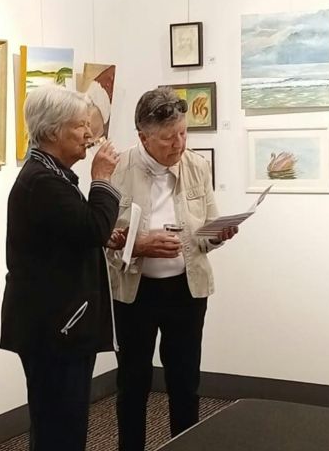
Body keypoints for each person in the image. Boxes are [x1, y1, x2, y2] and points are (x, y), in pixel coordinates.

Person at [108, 87, 238, 451]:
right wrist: (139, 244)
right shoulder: (117, 171)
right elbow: (102, 241)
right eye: (168, 138)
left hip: (186, 289)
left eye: (183, 133)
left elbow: (205, 233)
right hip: (135, 292)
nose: (178, 144)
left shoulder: (197, 165)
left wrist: (219, 235)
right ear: (143, 137)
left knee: (185, 383)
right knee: (132, 384)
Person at [0, 85, 122, 451]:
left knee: (59, 423)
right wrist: (102, 178)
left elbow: (77, 232)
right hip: (56, 330)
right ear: (53, 132)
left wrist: (103, 235)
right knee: (60, 428)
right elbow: (92, 228)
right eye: (81, 126)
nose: (90, 135)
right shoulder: (42, 181)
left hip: (57, 325)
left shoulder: (50, 175)